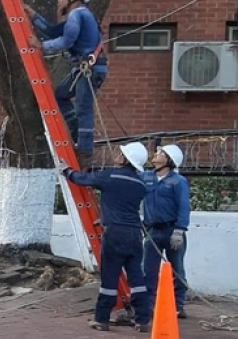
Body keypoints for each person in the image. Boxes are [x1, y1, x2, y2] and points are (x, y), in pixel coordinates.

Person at [58, 142, 151, 332]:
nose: (116, 153)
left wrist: (66, 170)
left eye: (121, 153)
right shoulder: (140, 184)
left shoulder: (110, 176)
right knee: (136, 277)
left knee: (109, 277)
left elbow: (82, 179)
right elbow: (122, 204)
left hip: (115, 233)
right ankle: (142, 320)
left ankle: (102, 319)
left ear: (125, 160)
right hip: (134, 233)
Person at [25, 0, 107, 169]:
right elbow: (53, 31)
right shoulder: (79, 16)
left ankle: (85, 152)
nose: (60, 0)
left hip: (89, 69)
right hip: (85, 69)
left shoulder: (78, 14)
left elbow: (67, 41)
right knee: (60, 95)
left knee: (83, 108)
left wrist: (41, 46)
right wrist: (33, 16)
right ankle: (75, 130)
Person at [141, 144, 191, 319]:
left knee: (176, 269)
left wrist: (180, 230)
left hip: (172, 230)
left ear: (169, 160)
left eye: (161, 153)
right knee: (148, 270)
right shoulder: (146, 177)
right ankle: (148, 305)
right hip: (153, 231)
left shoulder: (178, 181)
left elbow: (184, 207)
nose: (156, 154)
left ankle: (178, 305)